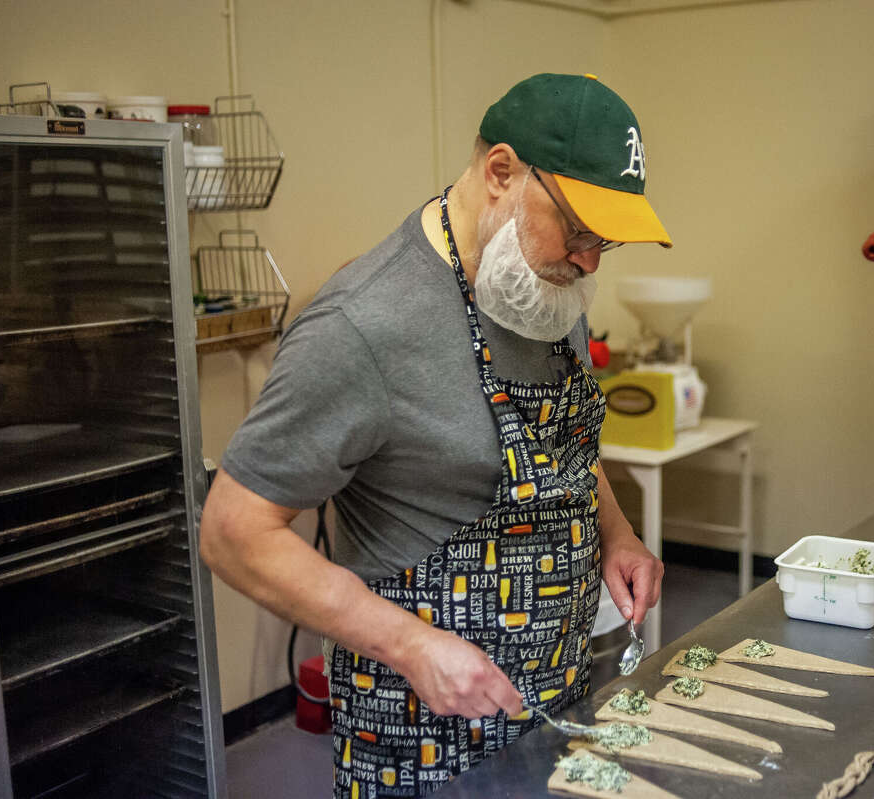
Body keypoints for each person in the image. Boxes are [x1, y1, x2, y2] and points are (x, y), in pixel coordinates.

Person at [199, 72, 672, 797]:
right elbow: (232, 531)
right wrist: (410, 644)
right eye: (578, 230)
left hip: (560, 704)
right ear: (501, 173)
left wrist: (617, 533)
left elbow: (562, 443)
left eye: (603, 240)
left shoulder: (548, 288)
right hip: (422, 741)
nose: (589, 260)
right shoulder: (365, 325)